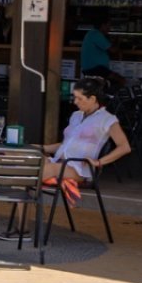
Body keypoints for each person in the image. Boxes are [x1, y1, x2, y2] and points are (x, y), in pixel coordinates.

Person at [43, 76, 131, 204]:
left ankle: (27, 218)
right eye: (75, 97)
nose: (75, 102)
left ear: (93, 99)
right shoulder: (76, 116)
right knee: (27, 163)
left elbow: (124, 147)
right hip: (59, 161)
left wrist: (99, 162)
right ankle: (22, 221)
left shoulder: (107, 119)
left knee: (37, 172)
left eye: (80, 98)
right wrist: (43, 147)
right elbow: (66, 143)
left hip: (78, 169)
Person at [78, 9, 114, 78]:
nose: (109, 28)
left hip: (94, 69)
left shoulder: (93, 33)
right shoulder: (96, 34)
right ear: (103, 25)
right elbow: (113, 50)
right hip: (96, 70)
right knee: (120, 80)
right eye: (108, 26)